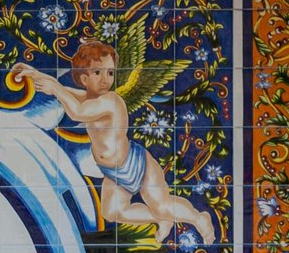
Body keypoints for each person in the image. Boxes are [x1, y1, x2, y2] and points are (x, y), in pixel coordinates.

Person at [11, 37, 216, 241]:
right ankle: (163, 219)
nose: (105, 79)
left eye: (110, 73)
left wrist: (56, 89)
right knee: (113, 212)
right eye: (97, 73)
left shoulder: (110, 100)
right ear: (84, 79)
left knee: (161, 204)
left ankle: (199, 218)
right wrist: (38, 76)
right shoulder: (92, 98)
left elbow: (77, 112)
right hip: (113, 172)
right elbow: (68, 94)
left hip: (137, 164)